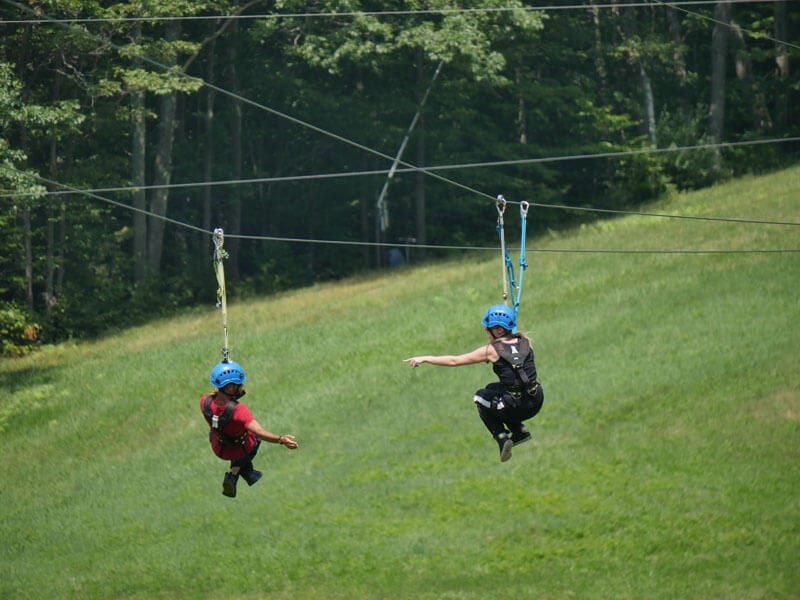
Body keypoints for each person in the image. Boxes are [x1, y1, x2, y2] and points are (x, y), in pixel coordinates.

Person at [404, 304, 544, 462]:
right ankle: (519, 430)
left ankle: (502, 438)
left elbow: (454, 361)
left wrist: (426, 358)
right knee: (492, 389)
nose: (486, 331)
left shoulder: (492, 350)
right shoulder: (525, 341)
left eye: (488, 328)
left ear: (499, 330)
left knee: (480, 397)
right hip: (536, 399)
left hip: (517, 406)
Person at [200, 360, 298, 497]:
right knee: (254, 438)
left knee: (221, 430)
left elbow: (218, 396)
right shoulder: (239, 412)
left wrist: (225, 365)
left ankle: (249, 473)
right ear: (229, 388)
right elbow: (260, 432)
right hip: (237, 450)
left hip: (219, 447)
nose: (241, 386)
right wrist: (281, 439)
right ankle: (235, 472)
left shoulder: (204, 401)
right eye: (238, 384)